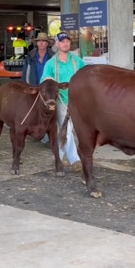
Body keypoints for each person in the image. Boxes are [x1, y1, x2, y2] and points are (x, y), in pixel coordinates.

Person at [41, 32, 86, 171]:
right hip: (60, 101)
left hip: (76, 100)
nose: (66, 43)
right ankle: (75, 160)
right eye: (62, 41)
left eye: (67, 41)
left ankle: (58, 157)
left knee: (66, 130)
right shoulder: (50, 64)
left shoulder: (77, 61)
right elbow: (44, 81)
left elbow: (85, 77)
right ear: (57, 44)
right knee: (67, 129)